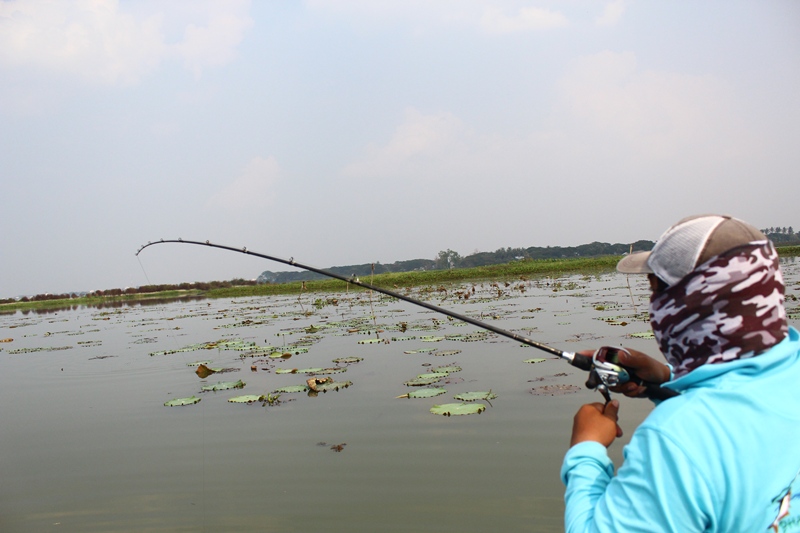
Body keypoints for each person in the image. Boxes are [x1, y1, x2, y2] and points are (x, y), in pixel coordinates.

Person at [561, 214, 800, 532]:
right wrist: (664, 380)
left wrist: (586, 450)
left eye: (655, 288)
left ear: (688, 301)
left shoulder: (677, 441)